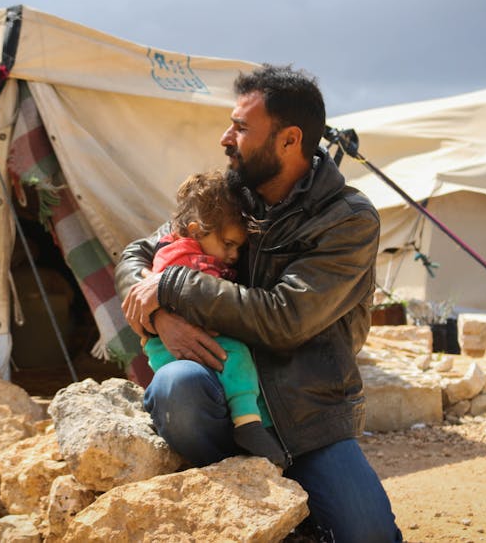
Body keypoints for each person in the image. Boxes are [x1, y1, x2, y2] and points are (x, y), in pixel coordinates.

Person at [117, 64, 402, 542]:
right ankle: (242, 486)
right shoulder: (227, 196)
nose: (226, 138)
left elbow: (285, 318)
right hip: (221, 402)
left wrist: (171, 289)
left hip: (308, 419)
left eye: (242, 127)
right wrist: (160, 314)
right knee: (177, 386)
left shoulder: (347, 220)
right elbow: (139, 254)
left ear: (290, 140)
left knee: (368, 534)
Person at [144, 169, 286, 467]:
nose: (234, 254)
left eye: (239, 247)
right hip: (182, 345)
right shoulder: (183, 256)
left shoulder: (189, 249)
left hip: (184, 345)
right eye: (228, 244)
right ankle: (248, 424)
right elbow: (204, 302)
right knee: (237, 355)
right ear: (196, 230)